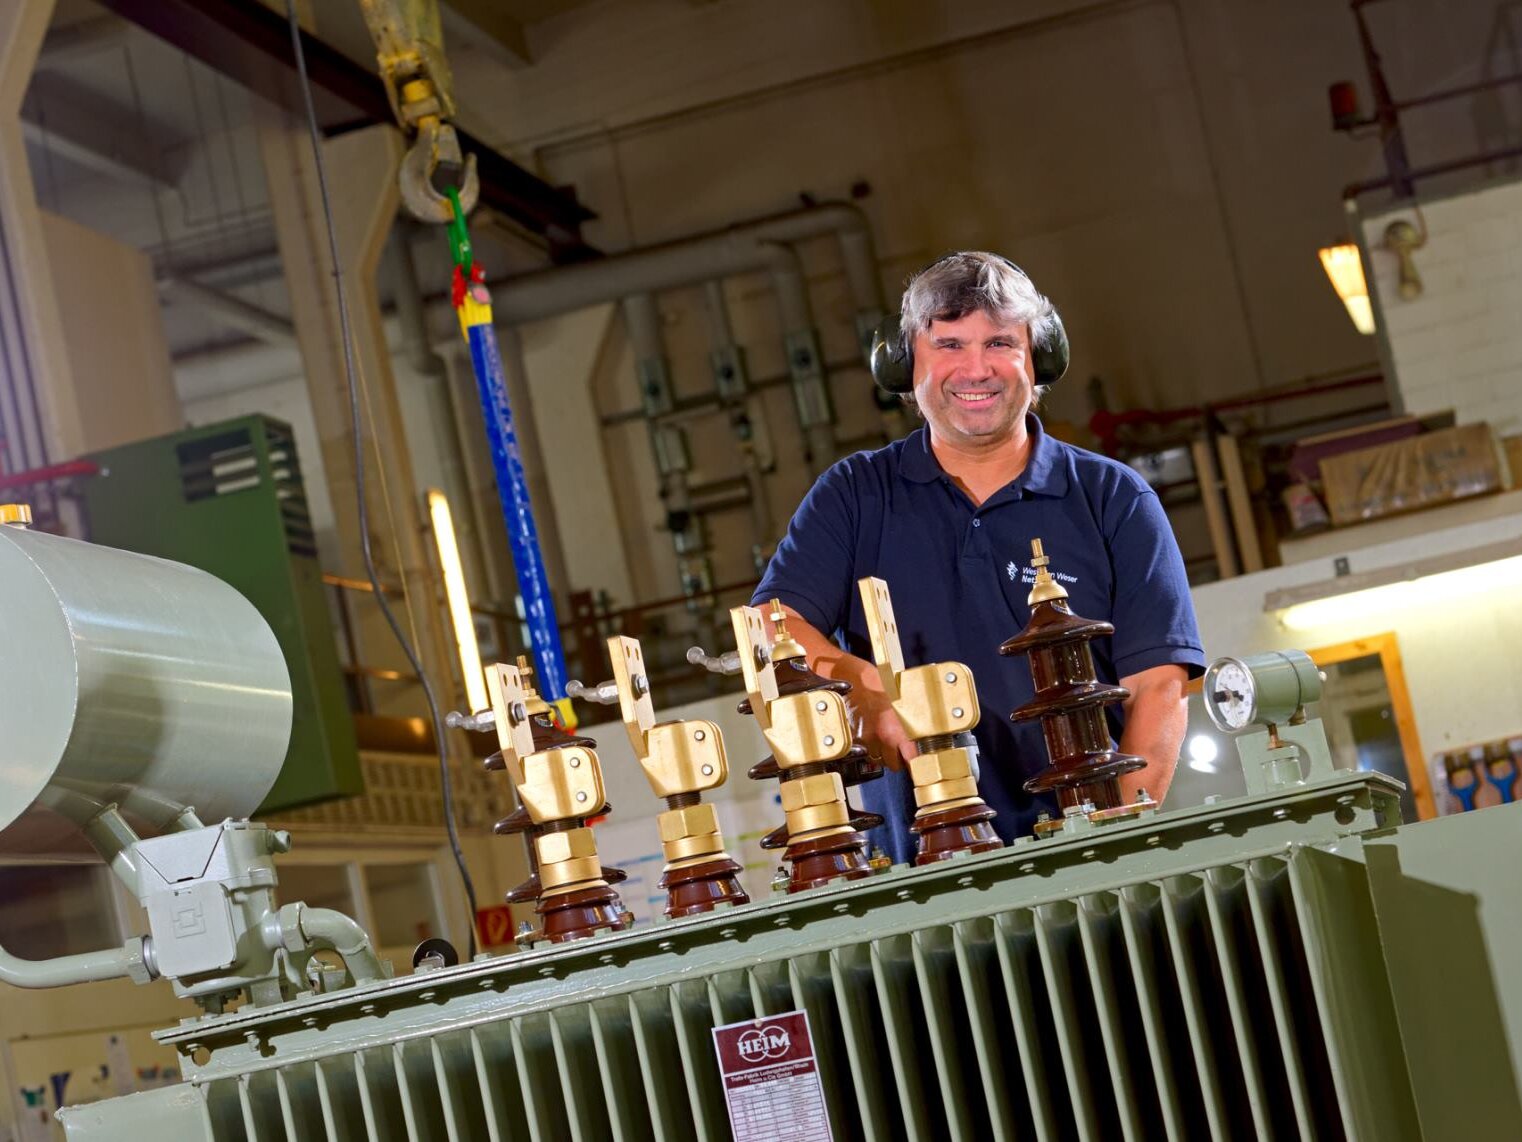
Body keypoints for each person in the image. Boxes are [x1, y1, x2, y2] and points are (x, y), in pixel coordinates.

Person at [751, 251, 1205, 864]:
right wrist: (865, 693)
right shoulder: (854, 495)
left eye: (999, 343)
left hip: (1090, 858)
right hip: (916, 872)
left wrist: (1115, 844)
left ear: (1037, 357)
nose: (976, 369)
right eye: (949, 345)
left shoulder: (1113, 498)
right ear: (905, 358)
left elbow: (1158, 686)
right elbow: (772, 625)